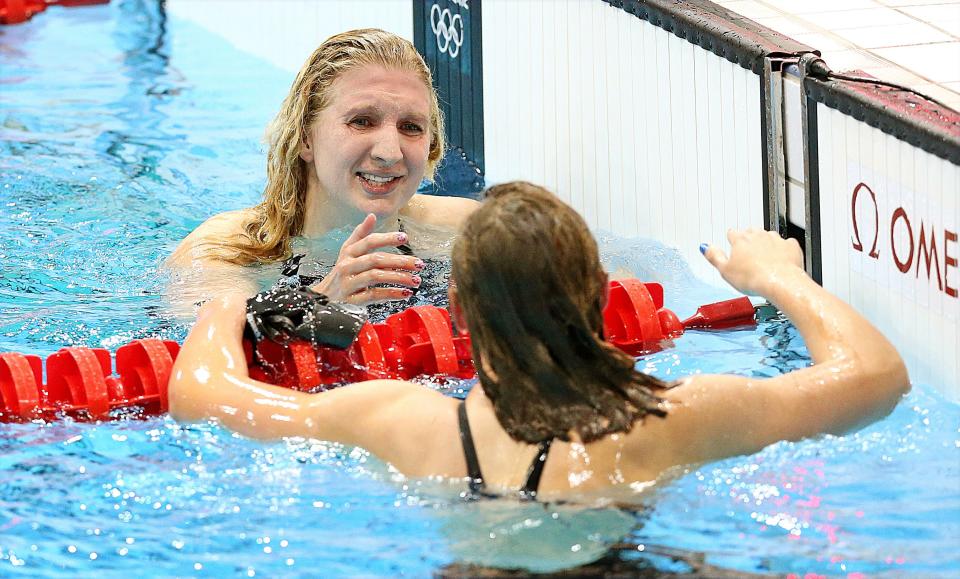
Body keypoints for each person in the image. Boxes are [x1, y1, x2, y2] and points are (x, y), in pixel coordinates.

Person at [168, 182, 910, 500]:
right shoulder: (676, 416)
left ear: (459, 310)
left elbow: (203, 393)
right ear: (601, 298)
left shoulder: (401, 420)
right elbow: (875, 375)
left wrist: (230, 303)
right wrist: (780, 275)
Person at [166, 29, 478, 306]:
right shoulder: (223, 253)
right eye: (361, 121)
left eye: (411, 127)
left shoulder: (463, 230)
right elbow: (213, 353)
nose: (390, 153)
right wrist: (320, 302)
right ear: (305, 138)